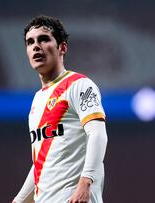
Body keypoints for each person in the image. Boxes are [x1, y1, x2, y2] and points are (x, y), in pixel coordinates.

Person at [12, 15, 108, 203]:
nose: (36, 46)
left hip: (75, 198)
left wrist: (85, 183)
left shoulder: (79, 85)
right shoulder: (37, 99)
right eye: (30, 42)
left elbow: (98, 135)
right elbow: (42, 163)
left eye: (44, 39)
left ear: (62, 47)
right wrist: (20, 200)